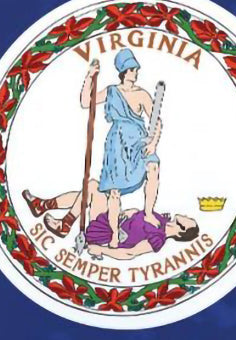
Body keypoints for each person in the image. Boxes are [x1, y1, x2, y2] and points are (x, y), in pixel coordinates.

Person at [42, 49, 161, 240]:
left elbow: (157, 122)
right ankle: (75, 222)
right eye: (131, 69)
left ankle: (148, 212)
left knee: (153, 166)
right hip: (117, 145)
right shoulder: (112, 92)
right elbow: (85, 102)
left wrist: (154, 142)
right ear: (123, 71)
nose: (135, 72)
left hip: (139, 142)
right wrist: (89, 77)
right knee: (110, 189)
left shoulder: (143, 95)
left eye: (136, 68)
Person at [23, 180, 197, 260]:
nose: (189, 217)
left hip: (105, 232)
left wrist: (101, 250)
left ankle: (64, 224)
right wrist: (131, 212)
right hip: (113, 218)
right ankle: (43, 206)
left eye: (190, 221)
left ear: (182, 230)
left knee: (92, 188)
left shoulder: (157, 239)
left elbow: (130, 253)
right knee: (88, 193)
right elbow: (139, 217)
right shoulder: (160, 219)